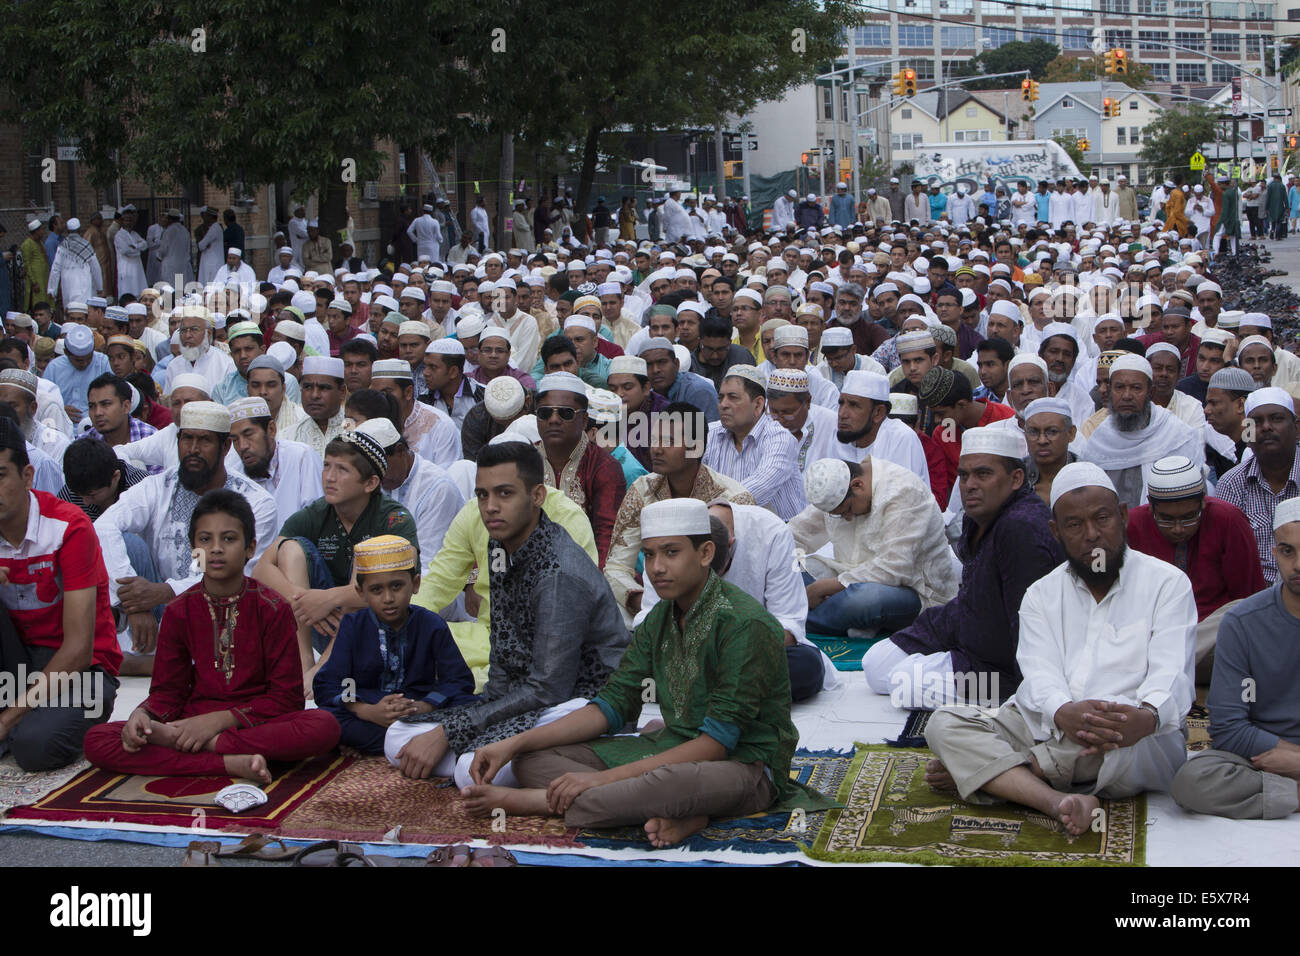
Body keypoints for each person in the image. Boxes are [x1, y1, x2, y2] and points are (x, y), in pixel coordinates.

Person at [459, 497, 832, 846]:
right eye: (649, 555)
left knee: (660, 785)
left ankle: (534, 801)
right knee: (532, 761)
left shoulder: (743, 624)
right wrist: (514, 743)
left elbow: (717, 742)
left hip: (744, 765)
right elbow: (611, 705)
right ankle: (689, 812)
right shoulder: (658, 619)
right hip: (673, 746)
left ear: (705, 553)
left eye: (671, 553)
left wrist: (599, 779)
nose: (656, 568)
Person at [923, 462, 1197, 836]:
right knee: (944, 723)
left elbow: (1172, 673)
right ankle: (1055, 801)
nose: (1091, 535)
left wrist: (1146, 717)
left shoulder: (1167, 584)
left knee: (1101, 745)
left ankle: (994, 774)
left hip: (1127, 734)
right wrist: (1062, 711)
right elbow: (1038, 672)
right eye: (1074, 525)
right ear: (1056, 532)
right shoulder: (1041, 594)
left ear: (1122, 516)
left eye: (1102, 519)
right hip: (1053, 722)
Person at [382, 440, 628, 785]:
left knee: (470, 772)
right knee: (397, 736)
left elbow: (547, 689)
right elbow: (503, 657)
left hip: (579, 701)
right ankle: (508, 756)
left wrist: (450, 732)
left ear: (538, 496)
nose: (490, 507)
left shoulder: (559, 574)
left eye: (505, 494)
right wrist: (467, 719)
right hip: (521, 695)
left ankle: (577, 752)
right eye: (483, 495)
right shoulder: (500, 547)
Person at [85, 489, 340, 782]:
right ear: (193, 548)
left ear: (250, 547)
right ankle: (230, 764)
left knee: (324, 725)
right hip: (192, 717)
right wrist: (144, 715)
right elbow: (168, 692)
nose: (216, 549)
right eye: (205, 540)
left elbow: (287, 700)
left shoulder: (273, 608)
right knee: (98, 739)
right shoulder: (179, 610)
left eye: (229, 539)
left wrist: (214, 727)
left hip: (255, 722)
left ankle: (206, 749)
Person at [863, 427, 1063, 709]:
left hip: (1001, 670)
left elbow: (1027, 629)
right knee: (875, 664)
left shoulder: (1022, 529)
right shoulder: (977, 516)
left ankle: (1006, 698)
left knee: (903, 682)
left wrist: (1031, 695)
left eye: (983, 474)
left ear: (1016, 478)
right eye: (964, 475)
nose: (969, 485)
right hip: (962, 626)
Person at [95, 401, 278, 675]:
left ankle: (154, 662)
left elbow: (242, 575)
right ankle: (162, 658)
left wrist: (164, 591)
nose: (192, 450)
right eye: (186, 439)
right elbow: (103, 527)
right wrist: (132, 603)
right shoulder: (159, 486)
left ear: (226, 447)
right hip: (156, 613)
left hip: (222, 613)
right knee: (125, 542)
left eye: (204, 440)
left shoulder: (256, 502)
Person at [254, 427, 418, 693]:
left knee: (366, 558)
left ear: (370, 483)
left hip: (377, 624)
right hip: (321, 619)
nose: (329, 478)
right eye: (326, 466)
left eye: (342, 470)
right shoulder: (316, 513)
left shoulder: (393, 518)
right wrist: (305, 600)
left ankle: (323, 668)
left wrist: (329, 599)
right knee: (290, 549)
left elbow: (399, 586)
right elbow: (262, 568)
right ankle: (303, 660)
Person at [0, 418, 119, 770]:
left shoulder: (69, 527)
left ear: (27, 476)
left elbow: (79, 650)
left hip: (83, 670)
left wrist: (8, 719)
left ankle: (31, 723)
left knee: (34, 747)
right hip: (16, 665)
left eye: (0, 474)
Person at [1170, 497, 1300, 819]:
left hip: (1277, 764)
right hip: (1262, 753)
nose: (1298, 564)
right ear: (1274, 553)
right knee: (1191, 782)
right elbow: (1228, 728)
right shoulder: (1243, 622)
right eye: (1288, 551)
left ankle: (1280, 792)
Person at [312, 535, 476, 754]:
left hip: (419, 713)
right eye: (376, 590)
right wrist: (367, 710)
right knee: (323, 720)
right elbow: (333, 683)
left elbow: (458, 681)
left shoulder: (431, 625)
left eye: (397, 586)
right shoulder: (353, 626)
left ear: (415, 584)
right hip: (369, 713)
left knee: (475, 705)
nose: (388, 598)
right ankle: (408, 745)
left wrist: (424, 706)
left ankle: (398, 744)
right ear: (361, 593)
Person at [1127, 455, 1265, 684]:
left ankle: (1156, 668)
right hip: (1152, 635)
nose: (1179, 529)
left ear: (1202, 501)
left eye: (1189, 517)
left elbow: (1250, 597)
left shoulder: (1228, 519)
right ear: (1151, 505)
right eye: (1167, 519)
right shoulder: (1132, 524)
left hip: (1212, 642)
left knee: (1242, 612)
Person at [790, 457, 955, 638]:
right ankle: (835, 617)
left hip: (911, 591)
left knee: (865, 600)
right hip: (848, 580)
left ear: (857, 485)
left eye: (847, 510)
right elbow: (796, 534)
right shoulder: (838, 490)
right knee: (793, 569)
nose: (847, 517)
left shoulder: (904, 492)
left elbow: (895, 569)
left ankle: (796, 621)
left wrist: (823, 588)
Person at [1080, 354, 1202, 507]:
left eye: (1136, 388)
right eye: (1119, 388)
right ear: (1110, 391)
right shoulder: (1099, 440)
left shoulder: (1177, 435)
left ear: (1150, 392)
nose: (1127, 396)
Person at [534, 372, 625, 566]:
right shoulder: (522, 462)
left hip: (586, 570)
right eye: (545, 412)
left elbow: (606, 540)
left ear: (584, 420)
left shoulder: (604, 467)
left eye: (565, 413)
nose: (554, 419)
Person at [1215, 387, 1300, 583]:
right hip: (1250, 597)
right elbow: (1222, 553)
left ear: (1296, 428)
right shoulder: (1231, 483)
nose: (1266, 427)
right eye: (1257, 422)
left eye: (1277, 418)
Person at [702, 366, 805, 520]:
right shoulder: (710, 432)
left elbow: (757, 488)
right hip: (722, 529)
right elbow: (688, 474)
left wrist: (704, 509)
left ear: (758, 405)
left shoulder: (780, 438)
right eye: (721, 397)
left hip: (781, 534)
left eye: (733, 397)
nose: (723, 404)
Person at [225, 396, 323, 528]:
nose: (242, 446)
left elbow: (317, 518)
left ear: (271, 429)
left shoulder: (301, 457)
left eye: (248, 434)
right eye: (235, 439)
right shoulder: (232, 470)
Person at [43, 324, 110, 422]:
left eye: (89, 358)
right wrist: (60, 410)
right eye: (79, 360)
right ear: (66, 353)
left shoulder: (103, 362)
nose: (85, 363)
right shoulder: (54, 367)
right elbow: (44, 401)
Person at [289, 356, 348, 456]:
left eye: (324, 388)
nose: (314, 395)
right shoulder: (289, 436)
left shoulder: (356, 432)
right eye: (308, 387)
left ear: (342, 391)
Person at [47, 219, 103, 309]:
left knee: (70, 309)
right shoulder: (86, 246)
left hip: (68, 282)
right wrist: (99, 287)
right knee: (83, 309)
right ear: (80, 230)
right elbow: (95, 268)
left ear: (68, 231)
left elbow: (55, 268)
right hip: (83, 282)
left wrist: (52, 290)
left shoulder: (62, 247)